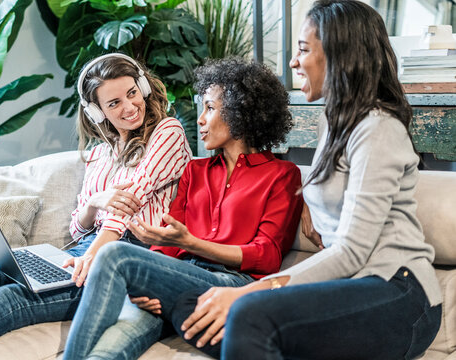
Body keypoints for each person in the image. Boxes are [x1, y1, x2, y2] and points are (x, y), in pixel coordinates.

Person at [171, 1, 443, 359]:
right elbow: (337, 194)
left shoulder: (377, 128)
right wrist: (308, 205)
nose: (292, 62)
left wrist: (253, 291)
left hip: (398, 291)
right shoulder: (332, 123)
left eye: (302, 49)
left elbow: (353, 250)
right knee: (191, 305)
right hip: (348, 288)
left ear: (339, 54)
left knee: (247, 313)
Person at [0, 53, 192, 359]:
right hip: (87, 249)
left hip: (128, 255)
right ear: (97, 112)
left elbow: (129, 203)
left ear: (142, 87)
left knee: (11, 300)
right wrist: (94, 204)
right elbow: (78, 225)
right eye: (114, 103)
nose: (129, 107)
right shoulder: (100, 154)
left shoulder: (167, 132)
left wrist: (91, 257)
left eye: (131, 93)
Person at [61, 57, 304, 360]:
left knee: (113, 253)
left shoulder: (282, 175)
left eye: (210, 108)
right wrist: (153, 280)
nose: (200, 120)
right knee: (109, 350)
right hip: (182, 278)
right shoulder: (195, 171)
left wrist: (190, 244)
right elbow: (169, 242)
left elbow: (266, 256)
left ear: (242, 111)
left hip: (231, 282)